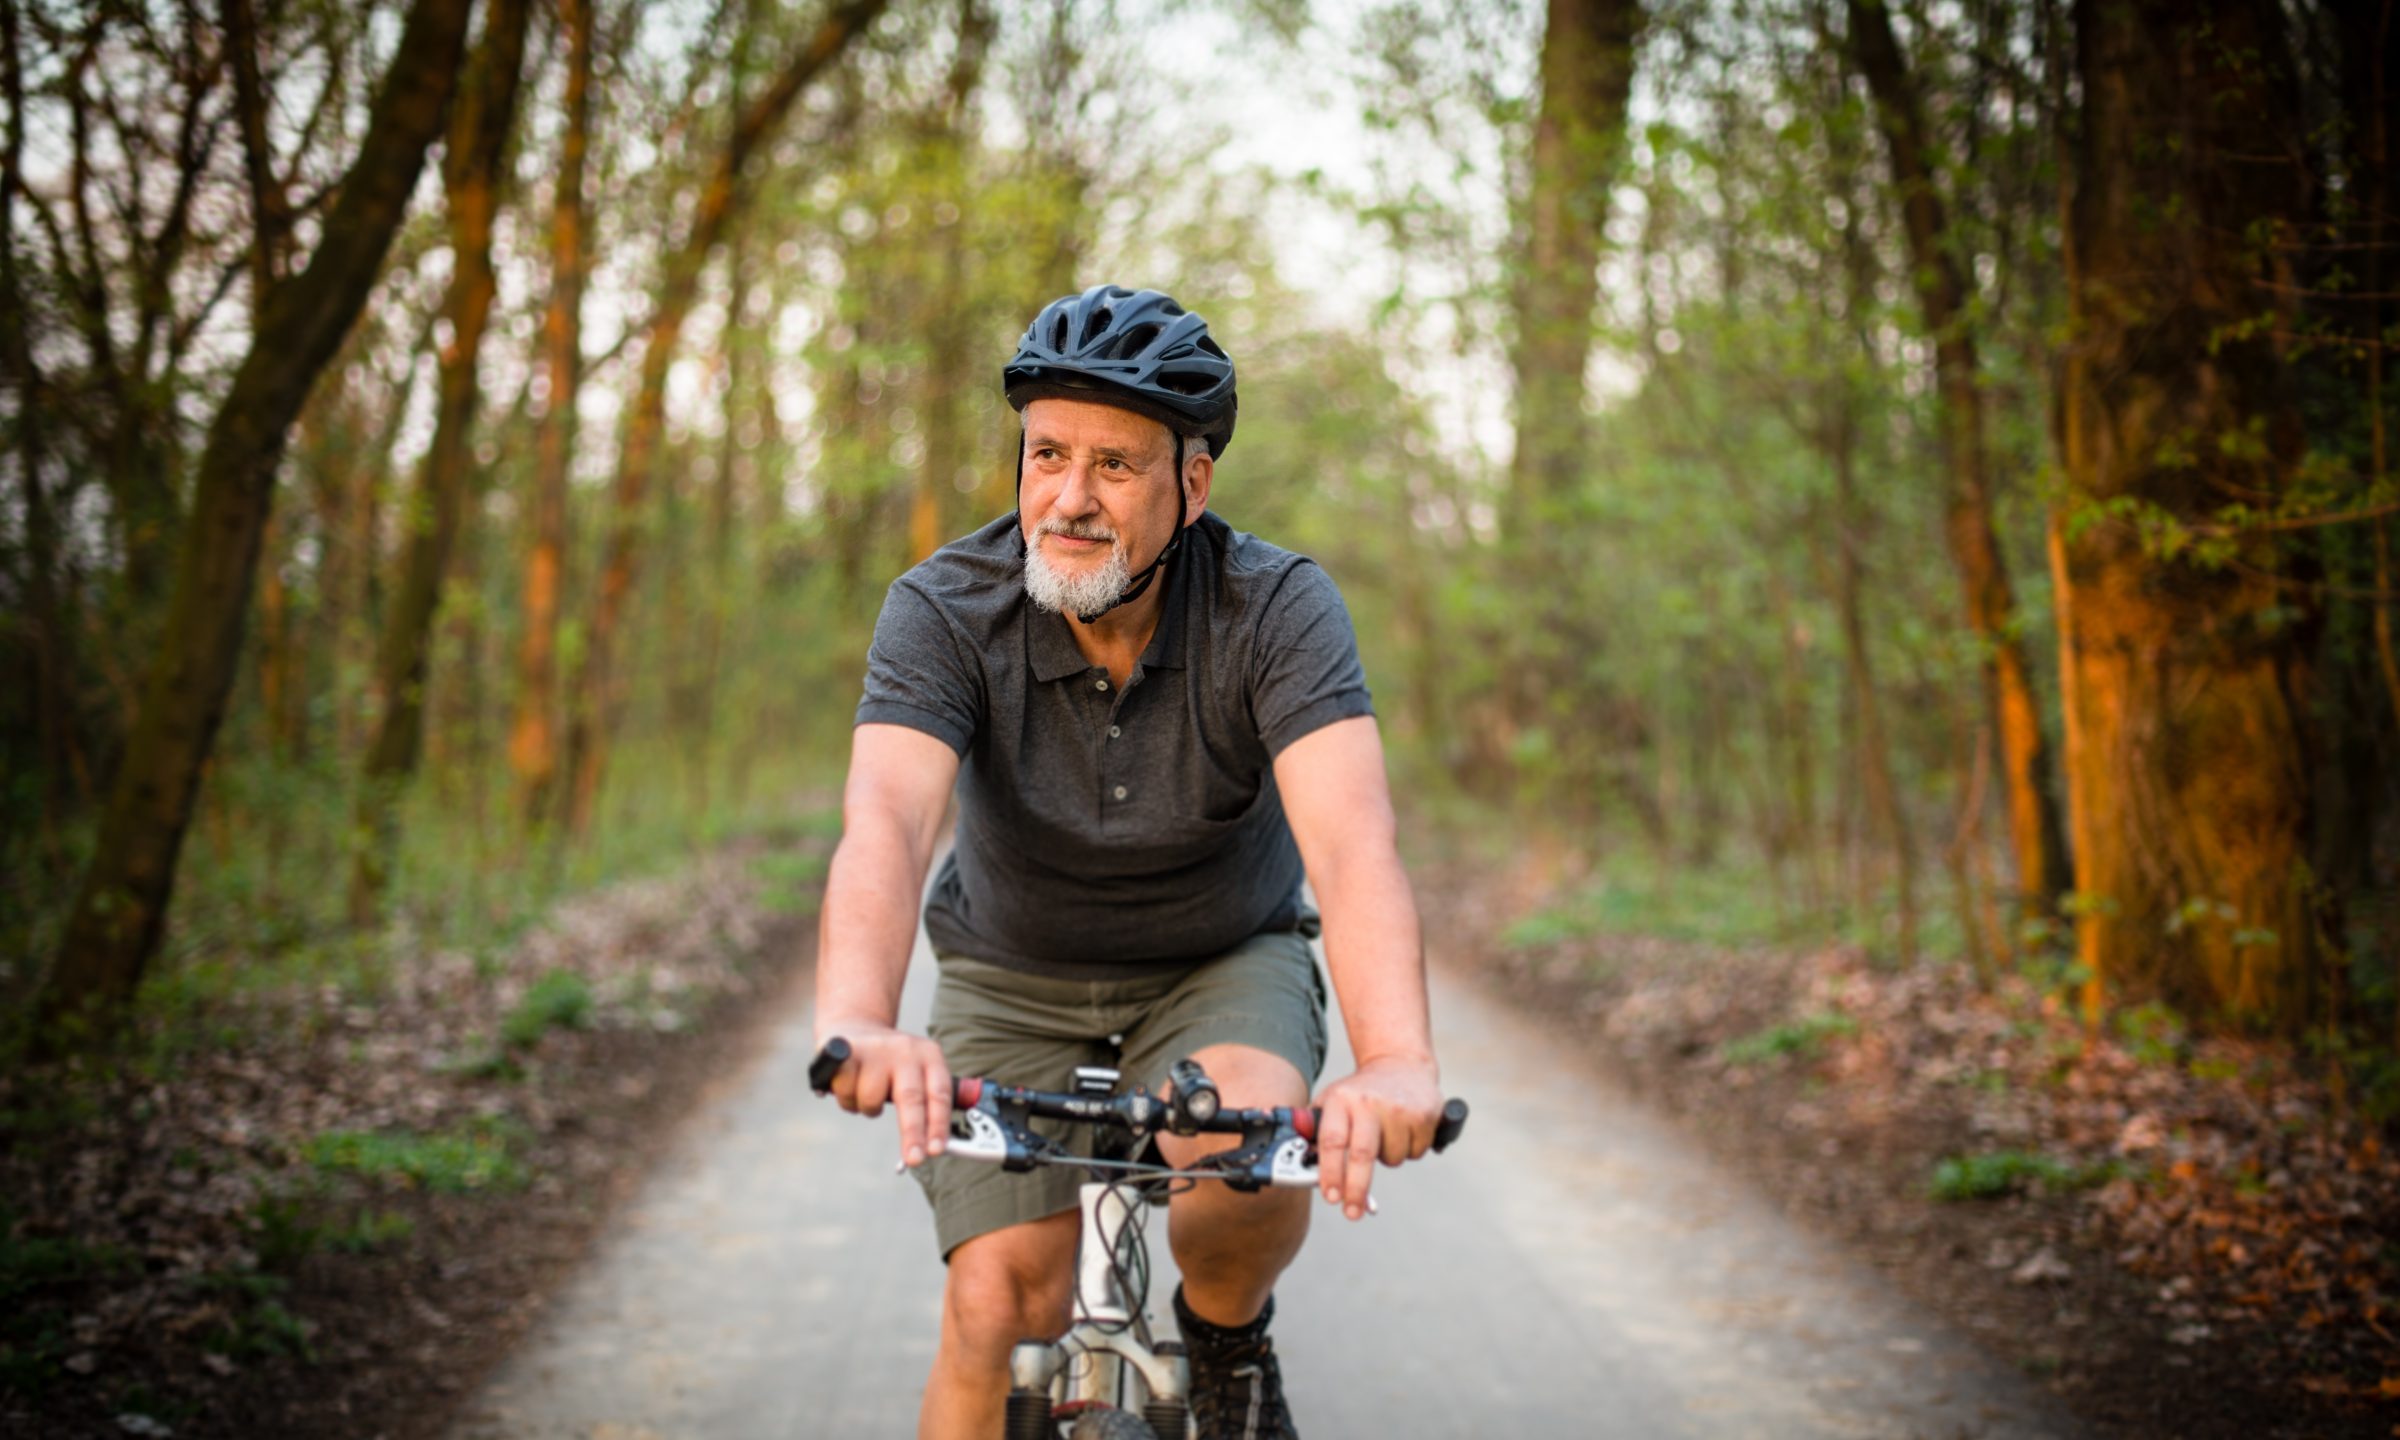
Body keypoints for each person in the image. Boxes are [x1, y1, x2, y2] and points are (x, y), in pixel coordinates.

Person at [813, 283, 1444, 1440]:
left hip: (1218, 961)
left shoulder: (1277, 608)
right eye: (1047, 453)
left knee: (1239, 1161)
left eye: (1114, 464)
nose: (1069, 497)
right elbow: (889, 824)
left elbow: (1353, 849)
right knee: (1000, 1301)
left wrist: (1396, 1057)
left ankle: (1226, 1340)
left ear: (1191, 486)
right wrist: (861, 1016)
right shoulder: (946, 608)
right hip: (1012, 970)